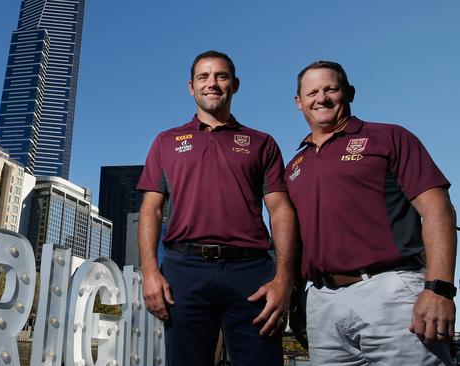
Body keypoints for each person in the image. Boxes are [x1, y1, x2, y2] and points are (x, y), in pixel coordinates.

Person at [285, 60, 457, 365]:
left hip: (388, 291)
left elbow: (438, 210)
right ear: (299, 103)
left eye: (330, 89)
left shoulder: (390, 137)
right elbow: (297, 241)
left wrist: (439, 290)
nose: (321, 98)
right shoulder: (295, 167)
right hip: (322, 302)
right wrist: (296, 299)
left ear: (349, 92)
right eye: (311, 92)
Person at [137, 50, 297, 366]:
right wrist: (150, 272)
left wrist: (284, 279)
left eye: (221, 76)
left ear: (235, 84)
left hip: (250, 272)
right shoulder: (166, 141)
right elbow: (151, 210)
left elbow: (280, 211)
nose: (212, 83)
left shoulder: (261, 142)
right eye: (204, 77)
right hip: (185, 270)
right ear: (190, 87)